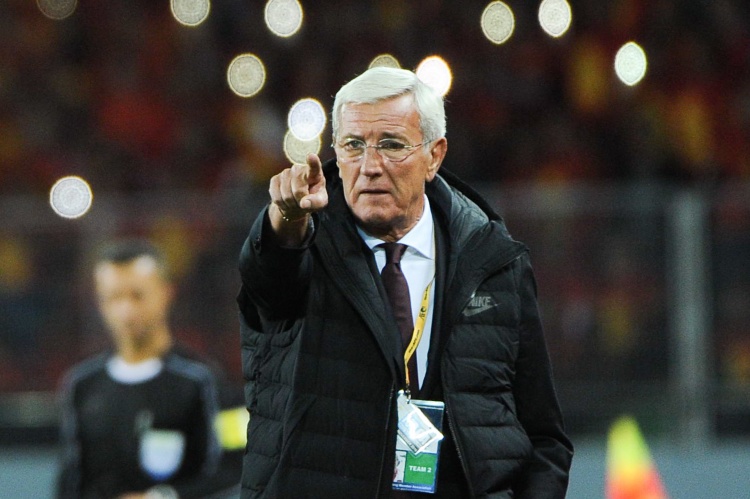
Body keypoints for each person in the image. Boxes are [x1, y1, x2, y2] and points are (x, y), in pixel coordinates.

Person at [237, 66, 573, 498]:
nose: (370, 166)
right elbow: (269, 283)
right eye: (353, 145)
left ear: (434, 155)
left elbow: (544, 435)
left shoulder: (494, 262)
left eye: (392, 145)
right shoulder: (304, 245)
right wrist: (286, 220)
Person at [56, 239, 231, 499]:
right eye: (113, 297)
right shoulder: (81, 385)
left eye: (137, 295)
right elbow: (70, 481)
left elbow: (232, 469)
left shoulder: (204, 379)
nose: (126, 311)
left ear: (166, 293)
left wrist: (161, 497)